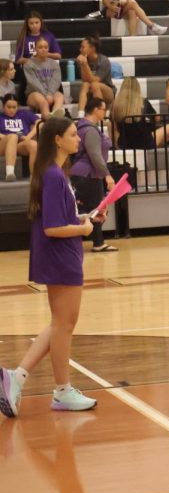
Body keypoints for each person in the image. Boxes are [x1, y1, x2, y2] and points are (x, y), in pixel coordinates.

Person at [0, 117, 102, 417]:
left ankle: (16, 378)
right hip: (60, 255)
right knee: (64, 324)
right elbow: (52, 228)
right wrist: (84, 230)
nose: (78, 139)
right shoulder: (54, 175)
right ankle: (62, 390)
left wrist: (85, 217)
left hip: (60, 254)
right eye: (73, 135)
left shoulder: (55, 173)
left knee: (60, 323)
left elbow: (59, 218)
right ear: (57, 140)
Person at [70, 98, 115, 254]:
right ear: (96, 109)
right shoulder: (90, 130)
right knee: (94, 210)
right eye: (103, 109)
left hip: (83, 174)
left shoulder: (83, 126)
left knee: (91, 209)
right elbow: (95, 155)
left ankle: (97, 242)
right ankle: (95, 242)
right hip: (87, 174)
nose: (105, 112)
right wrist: (107, 175)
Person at [111, 76, 169, 150]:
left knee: (111, 125)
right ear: (138, 88)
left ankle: (117, 147)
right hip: (144, 143)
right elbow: (157, 118)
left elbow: (114, 126)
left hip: (124, 143)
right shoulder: (143, 102)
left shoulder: (116, 104)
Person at [23, 37, 65, 118]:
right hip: (34, 92)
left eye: (45, 47)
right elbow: (33, 82)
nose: (43, 49)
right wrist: (46, 95)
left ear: (48, 48)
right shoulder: (28, 64)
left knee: (60, 97)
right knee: (43, 102)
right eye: (40, 47)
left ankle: (55, 116)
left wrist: (50, 93)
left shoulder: (54, 64)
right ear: (35, 49)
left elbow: (56, 81)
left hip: (51, 92)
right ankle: (47, 120)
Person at [2, 94, 39, 181]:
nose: (11, 110)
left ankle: (34, 176)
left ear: (18, 107)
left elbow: (39, 122)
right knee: (13, 137)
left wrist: (28, 137)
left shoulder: (23, 114)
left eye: (14, 107)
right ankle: (10, 173)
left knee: (34, 144)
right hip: (3, 145)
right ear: (3, 107)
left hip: (20, 144)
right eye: (9, 107)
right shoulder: (1, 117)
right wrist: (8, 137)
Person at [76, 34, 115, 111]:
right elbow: (84, 79)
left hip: (108, 91)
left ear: (92, 48)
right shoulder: (82, 60)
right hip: (91, 90)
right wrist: (82, 64)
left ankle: (99, 113)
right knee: (85, 84)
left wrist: (85, 64)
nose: (80, 49)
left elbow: (94, 80)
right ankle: (80, 114)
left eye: (83, 47)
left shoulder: (104, 61)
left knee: (95, 85)